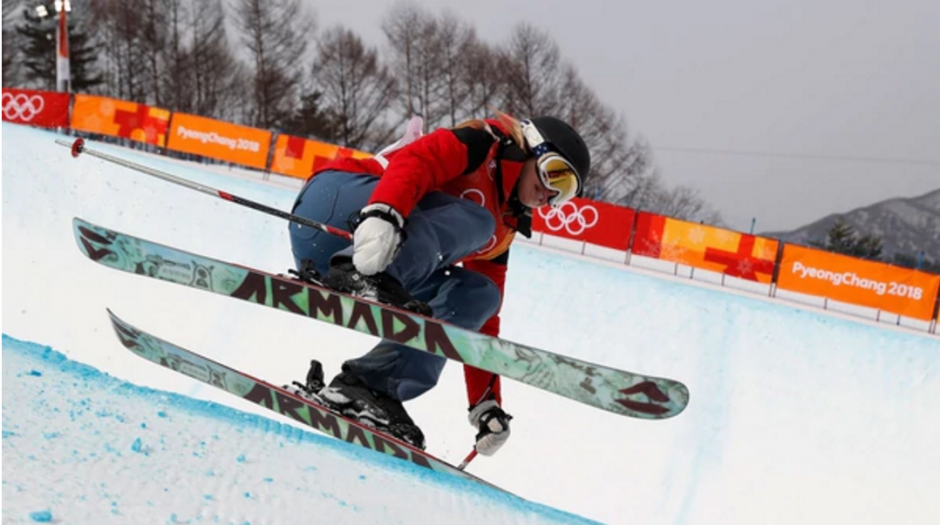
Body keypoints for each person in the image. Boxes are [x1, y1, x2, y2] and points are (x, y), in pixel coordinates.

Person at [287, 110, 591, 454]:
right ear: (532, 148)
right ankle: (366, 274)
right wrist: (384, 213)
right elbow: (418, 160)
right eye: (554, 174)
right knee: (478, 222)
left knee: (480, 295)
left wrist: (485, 403)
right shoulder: (482, 144)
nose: (549, 195)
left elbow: (481, 324)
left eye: (564, 192)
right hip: (337, 205)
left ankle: (371, 386)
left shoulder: (502, 229)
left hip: (377, 253)